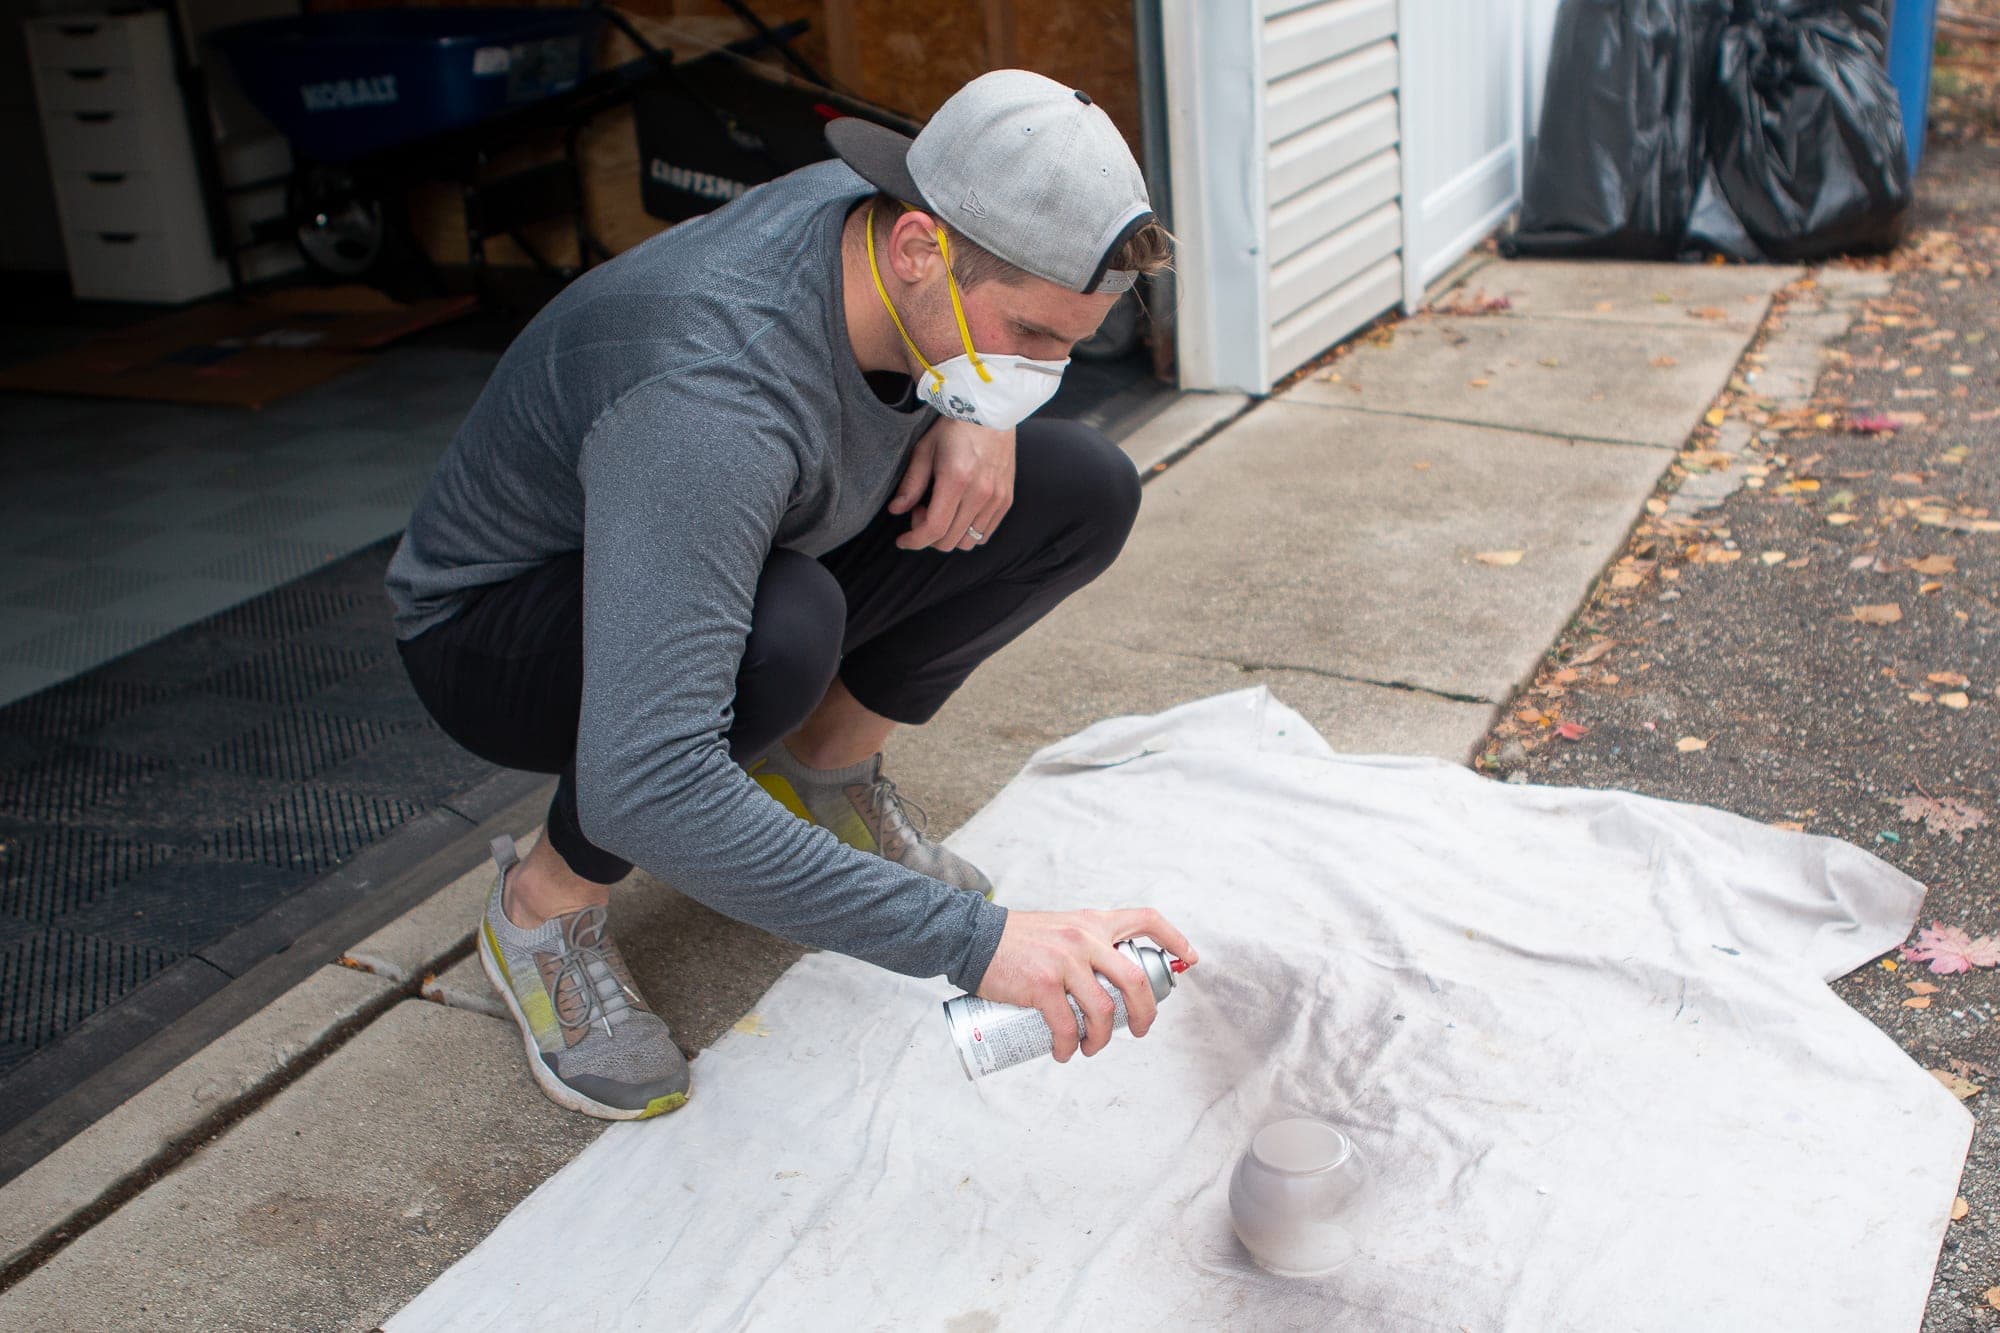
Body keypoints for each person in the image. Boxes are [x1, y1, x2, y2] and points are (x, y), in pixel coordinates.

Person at [385, 69, 1199, 1121]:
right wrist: (978, 945)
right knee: (780, 635)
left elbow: (979, 336)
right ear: (917, 250)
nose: (1048, 367)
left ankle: (821, 770)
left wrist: (978, 407)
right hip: (496, 629)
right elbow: (650, 782)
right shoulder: (709, 400)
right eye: (1031, 338)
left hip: (749, 531)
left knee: (1080, 488)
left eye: (1067, 341)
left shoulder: (904, 237)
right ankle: (540, 907)